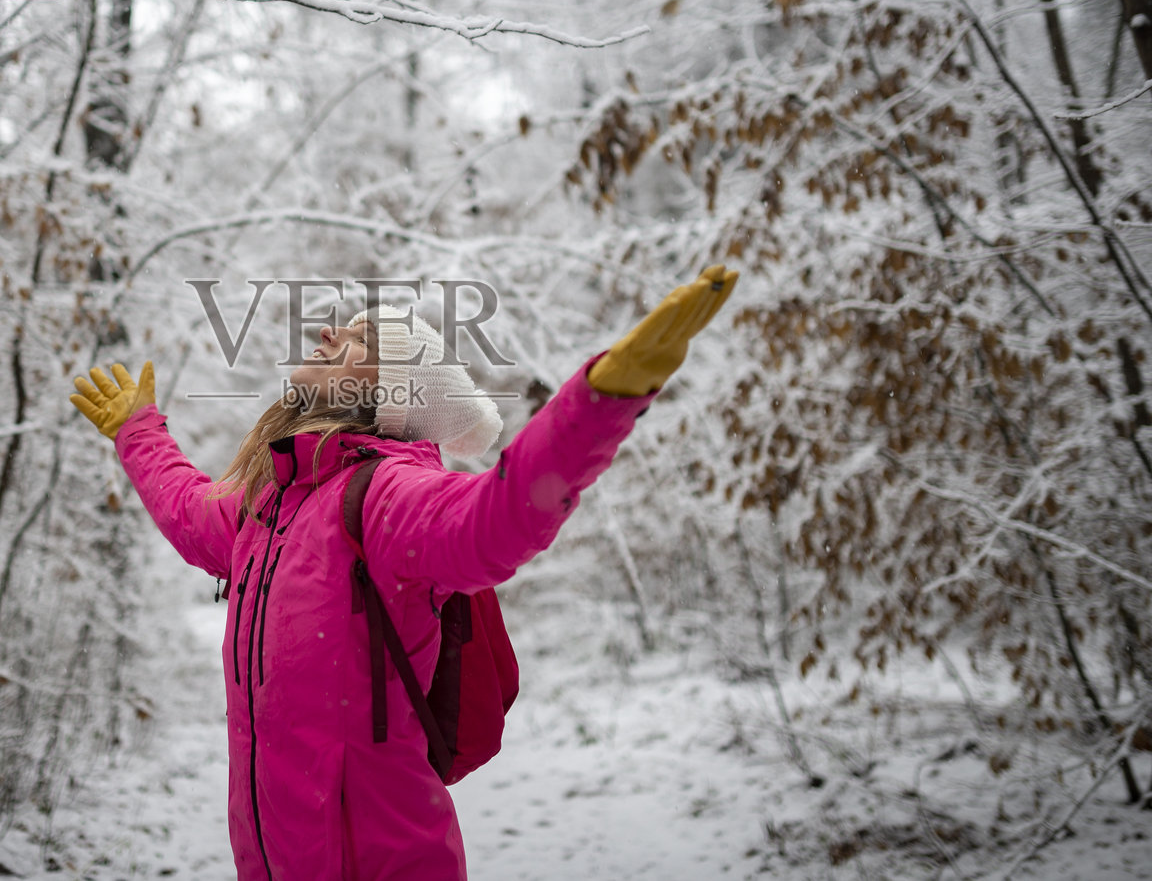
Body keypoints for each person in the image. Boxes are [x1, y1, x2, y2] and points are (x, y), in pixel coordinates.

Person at [69, 266, 739, 880]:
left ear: (391, 394)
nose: (329, 331)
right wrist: (137, 430)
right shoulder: (267, 501)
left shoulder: (389, 497)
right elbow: (186, 509)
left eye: (361, 339)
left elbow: (500, 517)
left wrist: (598, 402)